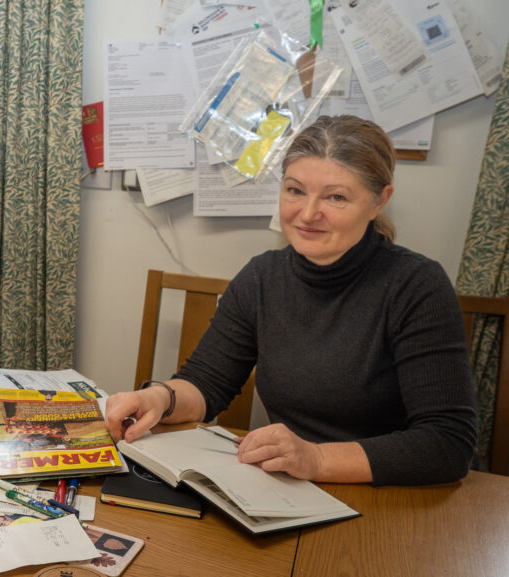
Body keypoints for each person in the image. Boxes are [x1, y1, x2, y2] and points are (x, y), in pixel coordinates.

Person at [105, 115, 477, 486]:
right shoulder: (261, 277)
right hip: (290, 488)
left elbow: (447, 443)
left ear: (379, 201)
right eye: (295, 190)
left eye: (336, 197)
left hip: (389, 500)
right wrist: (160, 399)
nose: (308, 213)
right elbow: (206, 383)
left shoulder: (416, 286)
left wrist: (316, 459)